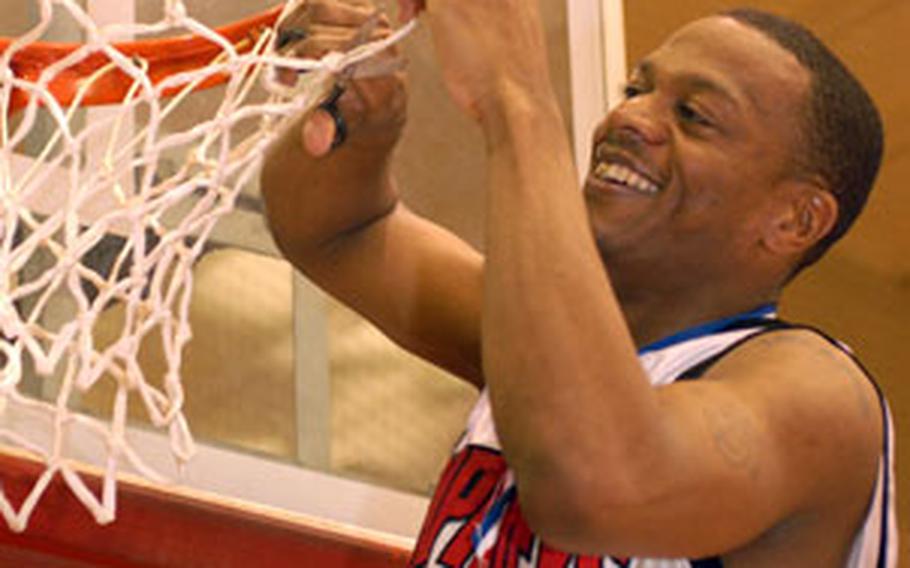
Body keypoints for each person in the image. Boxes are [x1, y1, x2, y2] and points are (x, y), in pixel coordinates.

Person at [261, 0, 896, 565]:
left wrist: (516, 97)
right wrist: (362, 126)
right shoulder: (549, 349)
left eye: (694, 115)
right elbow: (341, 231)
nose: (633, 116)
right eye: (634, 87)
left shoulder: (823, 396)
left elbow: (598, 488)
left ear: (794, 219)